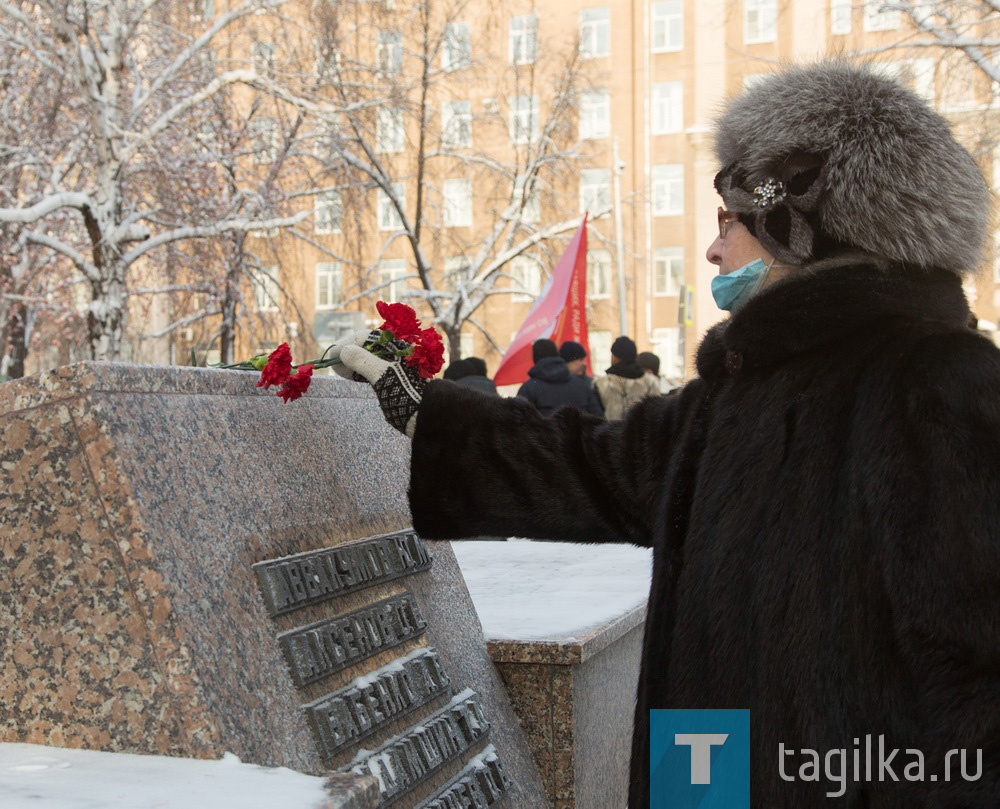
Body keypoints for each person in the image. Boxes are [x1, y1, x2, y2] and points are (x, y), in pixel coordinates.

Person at [328, 62, 1000, 807]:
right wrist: (431, 414)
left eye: (729, 222)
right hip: (707, 777)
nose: (713, 251)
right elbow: (591, 466)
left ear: (798, 224)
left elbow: (979, 687)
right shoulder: (735, 396)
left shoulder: (938, 383)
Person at [515, 339, 603, 417]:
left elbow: (518, 424)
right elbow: (598, 420)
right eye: (580, 359)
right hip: (579, 435)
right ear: (557, 355)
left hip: (545, 435)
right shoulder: (582, 385)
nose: (584, 363)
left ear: (535, 359)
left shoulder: (528, 388)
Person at [594, 336, 661, 419]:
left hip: (611, 430)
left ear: (614, 357)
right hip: (641, 431)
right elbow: (656, 413)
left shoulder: (601, 383)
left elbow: (596, 416)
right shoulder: (651, 382)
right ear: (635, 357)